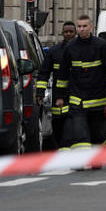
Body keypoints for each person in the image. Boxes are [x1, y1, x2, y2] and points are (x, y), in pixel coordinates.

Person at [53, 15, 106, 151]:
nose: (81, 29)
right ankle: (80, 160)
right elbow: (62, 74)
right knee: (79, 133)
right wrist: (60, 97)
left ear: (91, 27)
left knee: (98, 135)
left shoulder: (101, 45)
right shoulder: (70, 47)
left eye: (84, 26)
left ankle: (96, 158)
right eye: (79, 26)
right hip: (77, 100)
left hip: (98, 100)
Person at [35, 21, 75, 149]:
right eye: (66, 32)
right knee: (58, 126)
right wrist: (40, 92)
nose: (68, 34)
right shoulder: (54, 51)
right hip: (59, 97)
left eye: (71, 32)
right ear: (62, 33)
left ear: (75, 33)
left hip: (78, 94)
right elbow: (44, 73)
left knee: (76, 126)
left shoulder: (82, 50)